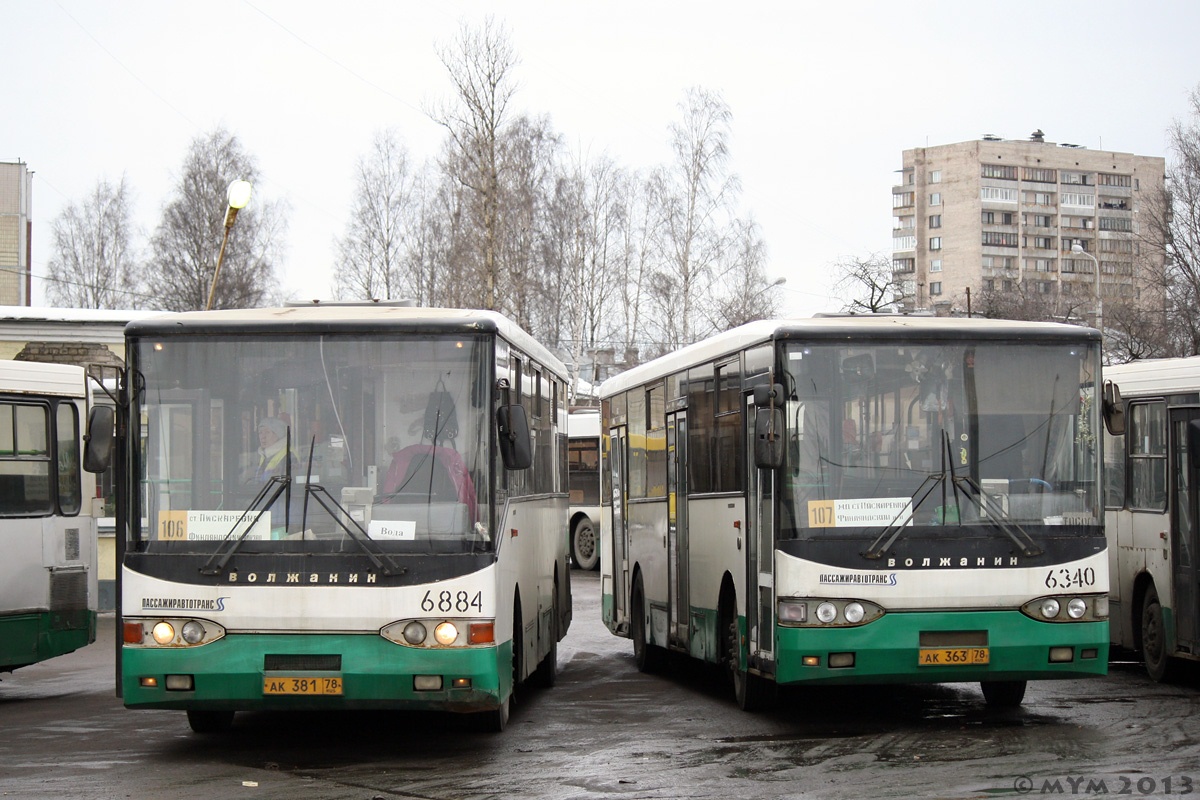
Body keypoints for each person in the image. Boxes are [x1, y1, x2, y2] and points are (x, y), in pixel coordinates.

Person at [248, 417, 295, 484]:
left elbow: (291, 486)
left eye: (267, 432)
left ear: (279, 435)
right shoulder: (262, 454)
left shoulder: (290, 456)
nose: (263, 437)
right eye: (260, 432)